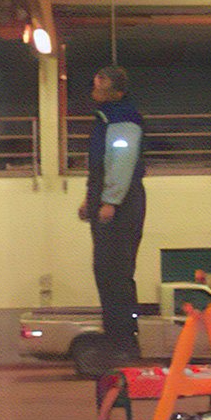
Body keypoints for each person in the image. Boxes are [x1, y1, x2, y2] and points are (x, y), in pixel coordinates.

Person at [79, 65, 146, 363]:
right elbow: (101, 165)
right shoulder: (108, 116)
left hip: (123, 202)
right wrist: (89, 200)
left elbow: (122, 160)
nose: (95, 82)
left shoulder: (123, 117)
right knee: (104, 271)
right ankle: (116, 338)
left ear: (117, 90)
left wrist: (111, 201)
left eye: (102, 80)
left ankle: (124, 342)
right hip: (108, 198)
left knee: (116, 272)